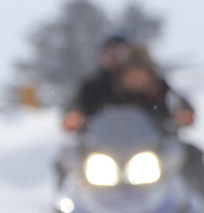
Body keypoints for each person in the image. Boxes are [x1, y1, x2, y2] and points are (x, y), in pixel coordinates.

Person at [64, 43, 204, 194]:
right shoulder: (105, 94)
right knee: (67, 159)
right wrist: (75, 116)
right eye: (131, 73)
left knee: (191, 155)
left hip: (154, 152)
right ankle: (64, 206)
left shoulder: (162, 92)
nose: (137, 78)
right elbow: (78, 108)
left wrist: (184, 114)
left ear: (151, 74)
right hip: (106, 153)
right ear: (121, 75)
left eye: (142, 72)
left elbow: (181, 105)